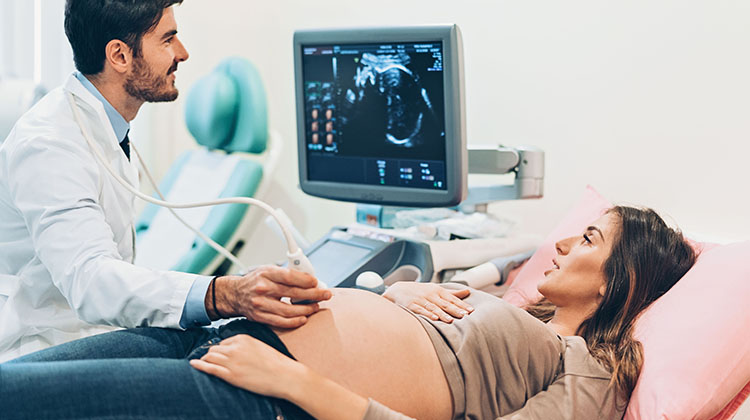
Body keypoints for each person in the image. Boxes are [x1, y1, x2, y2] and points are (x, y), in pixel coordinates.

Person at [0, 206, 696, 419]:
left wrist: (298, 386)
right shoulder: (525, 317)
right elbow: (465, 271)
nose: (565, 242)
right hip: (226, 337)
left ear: (619, 284)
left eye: (591, 241)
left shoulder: (597, 371)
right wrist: (397, 293)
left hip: (263, 391)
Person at [0, 0, 330, 362]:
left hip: (91, 333)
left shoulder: (106, 129)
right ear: (120, 56)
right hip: (40, 349)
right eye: (168, 39)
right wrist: (223, 295)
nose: (183, 53)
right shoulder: (50, 145)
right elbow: (91, 282)